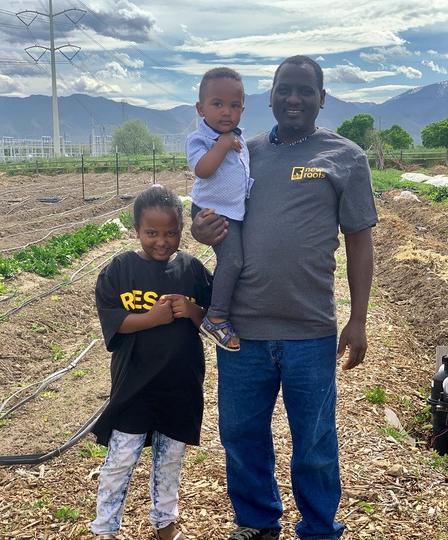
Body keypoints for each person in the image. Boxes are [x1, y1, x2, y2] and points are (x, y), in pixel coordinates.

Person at [191, 55, 378, 540]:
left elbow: (360, 240)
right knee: (240, 434)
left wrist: (357, 319)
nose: (294, 99)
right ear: (269, 96)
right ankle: (256, 521)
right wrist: (199, 229)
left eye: (305, 90)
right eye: (284, 89)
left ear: (322, 98)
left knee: (314, 443)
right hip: (242, 330)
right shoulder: (241, 152)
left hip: (310, 329)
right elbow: (210, 211)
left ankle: (318, 529)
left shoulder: (345, 157)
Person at [90, 185, 213, 540]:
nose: (162, 241)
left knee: (170, 461)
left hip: (180, 384)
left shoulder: (192, 269)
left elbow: (216, 318)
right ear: (136, 231)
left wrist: (193, 311)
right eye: (152, 233)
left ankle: (165, 523)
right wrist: (152, 319)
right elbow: (113, 321)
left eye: (171, 232)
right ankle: (106, 527)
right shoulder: (120, 270)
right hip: (135, 386)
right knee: (121, 459)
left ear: (181, 230)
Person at [186, 67, 253, 352]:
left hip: (232, 211)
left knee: (237, 260)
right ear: (201, 109)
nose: (227, 112)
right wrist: (223, 145)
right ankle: (215, 315)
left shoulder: (240, 139)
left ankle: (222, 310)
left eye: (234, 105)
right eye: (218, 104)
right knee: (233, 261)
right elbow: (203, 169)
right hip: (212, 211)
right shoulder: (200, 139)